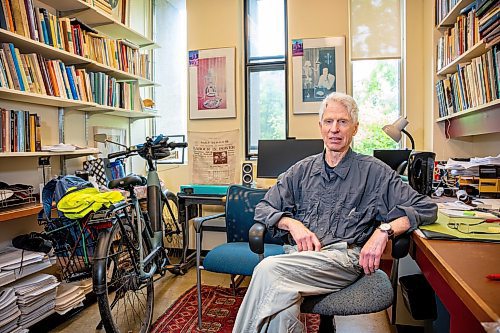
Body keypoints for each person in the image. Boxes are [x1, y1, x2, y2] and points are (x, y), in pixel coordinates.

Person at [232, 92, 438, 333]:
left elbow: (427, 208)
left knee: (267, 269)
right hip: (299, 257)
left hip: (343, 260)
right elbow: (264, 207)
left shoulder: (374, 172)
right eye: (328, 122)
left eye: (343, 122)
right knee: (281, 303)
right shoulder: (301, 170)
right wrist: (292, 224)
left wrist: (384, 231)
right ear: (320, 127)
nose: (335, 129)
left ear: (355, 128)